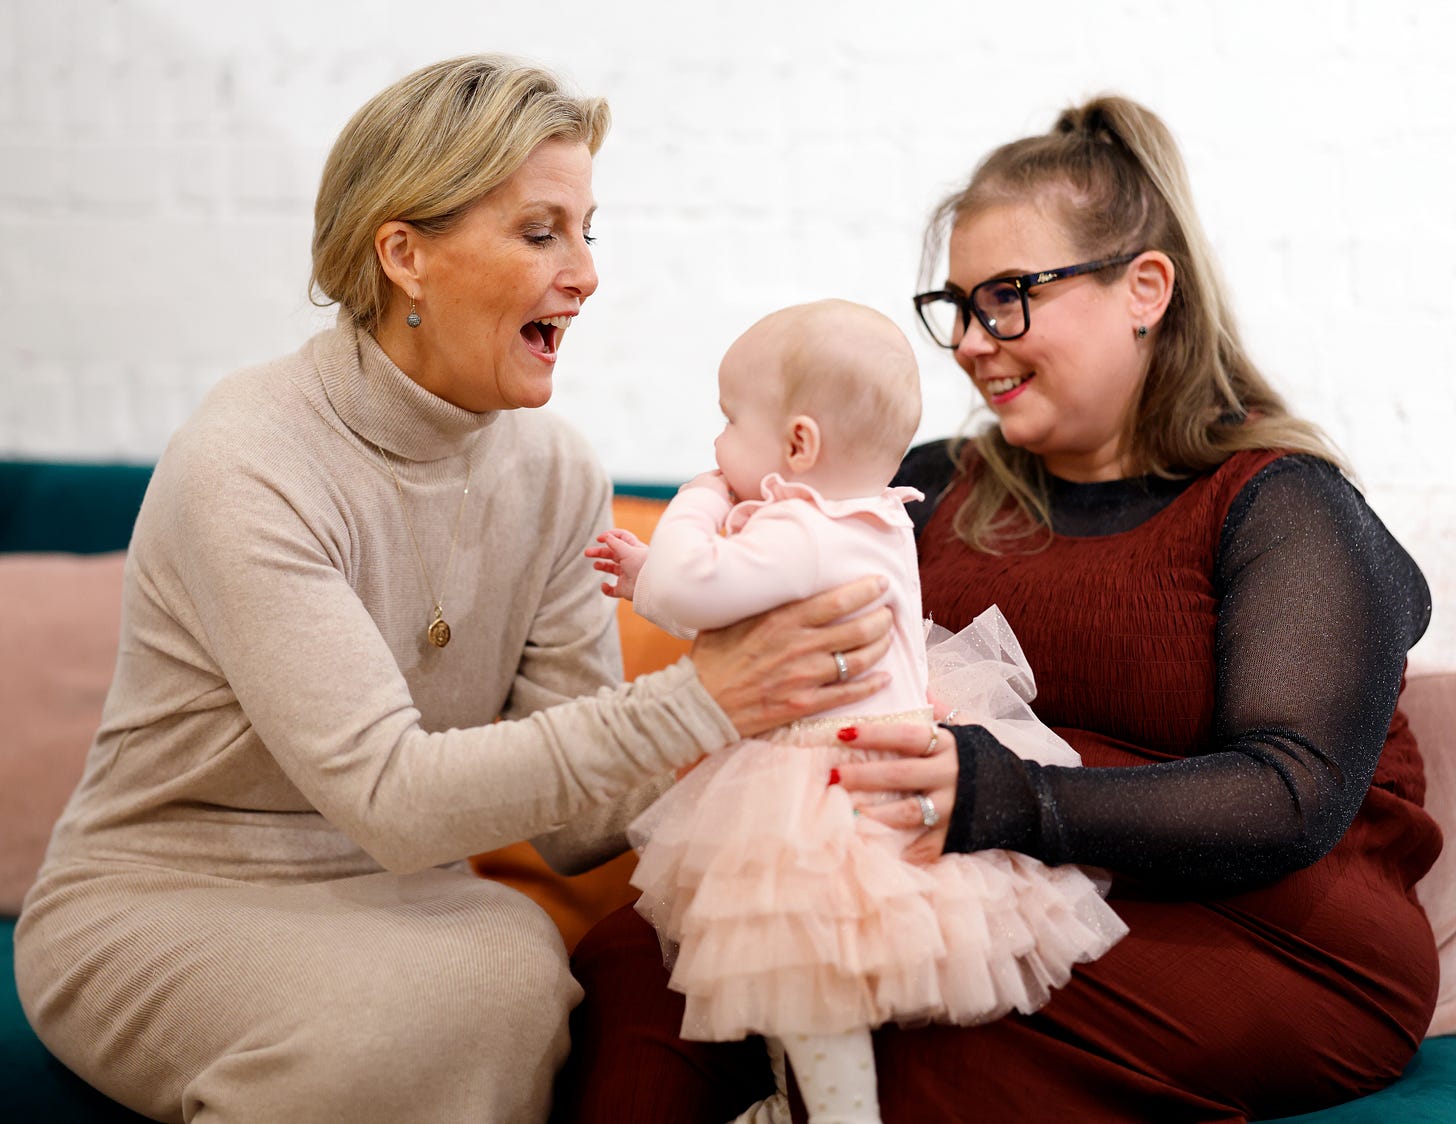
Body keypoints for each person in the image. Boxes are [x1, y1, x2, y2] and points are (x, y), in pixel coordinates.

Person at [12, 56, 896, 1124]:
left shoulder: (557, 471)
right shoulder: (246, 462)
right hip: (164, 893)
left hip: (398, 895)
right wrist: (701, 697)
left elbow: (575, 829)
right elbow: (391, 799)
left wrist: (779, 718)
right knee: (419, 1015)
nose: (586, 273)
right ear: (405, 256)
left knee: (516, 965)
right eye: (540, 232)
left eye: (587, 231)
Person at [554, 96, 1438, 1123]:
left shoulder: (1280, 504)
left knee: (923, 1047)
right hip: (980, 875)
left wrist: (997, 793)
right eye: (958, 305)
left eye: (1010, 296)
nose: (972, 341)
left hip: (1261, 923)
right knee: (644, 959)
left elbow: (1288, 795)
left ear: (1145, 288)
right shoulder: (926, 486)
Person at [585, 299, 1127, 1123]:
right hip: (878, 766)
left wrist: (694, 501)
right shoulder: (870, 518)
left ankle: (835, 1114)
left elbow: (698, 585)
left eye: (729, 421)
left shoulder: (801, 528)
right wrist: (652, 575)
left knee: (803, 971)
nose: (715, 446)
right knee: (795, 970)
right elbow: (724, 604)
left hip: (823, 785)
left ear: (798, 444)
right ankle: (798, 1098)